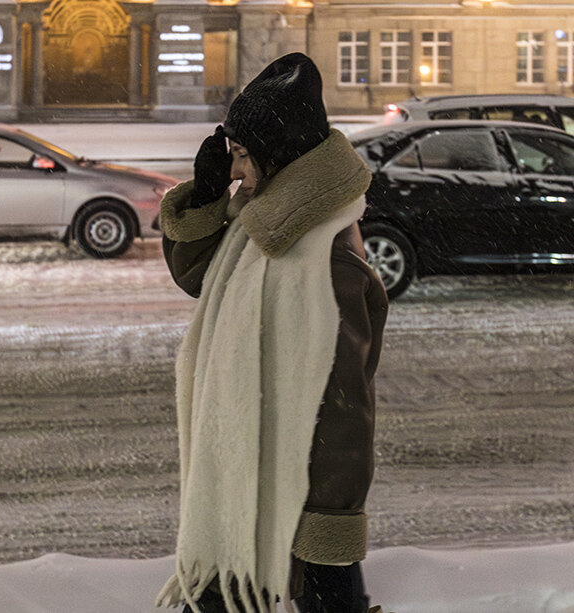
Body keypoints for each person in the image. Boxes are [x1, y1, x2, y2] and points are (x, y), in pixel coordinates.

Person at [154, 53, 388, 613]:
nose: (234, 171)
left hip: (279, 493)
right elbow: (197, 277)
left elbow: (343, 407)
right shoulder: (263, 222)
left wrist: (329, 530)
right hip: (242, 478)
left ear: (276, 155)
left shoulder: (322, 257)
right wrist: (208, 196)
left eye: (240, 157)